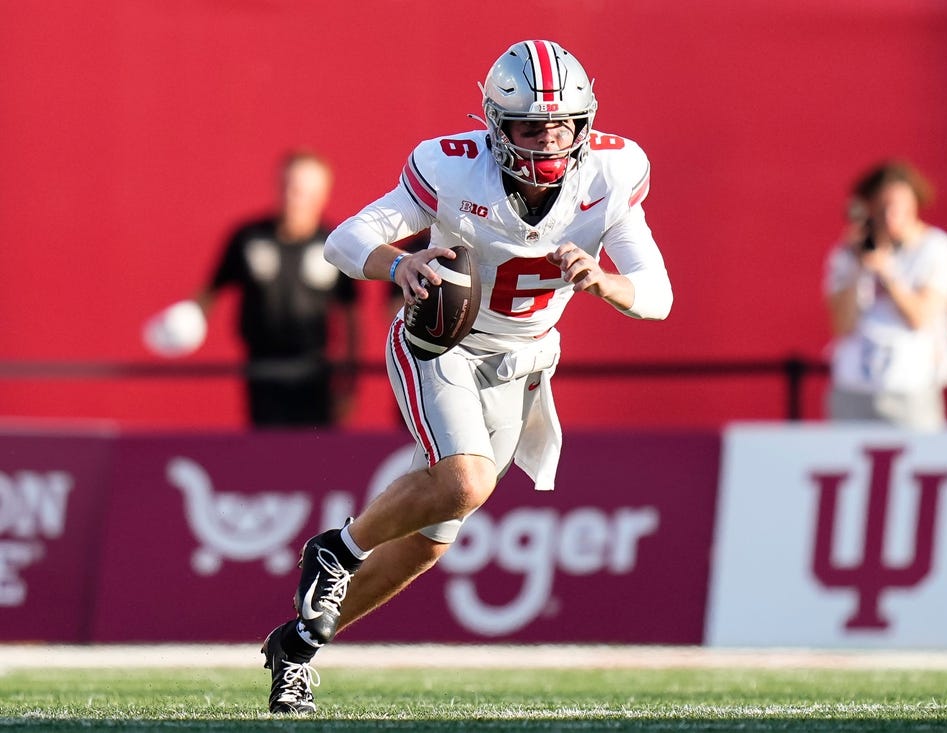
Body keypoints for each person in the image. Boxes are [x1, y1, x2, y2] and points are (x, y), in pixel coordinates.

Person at [260, 40, 673, 714]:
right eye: (531, 126)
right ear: (495, 125)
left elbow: (657, 296)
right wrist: (399, 265)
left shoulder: (612, 173)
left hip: (524, 360)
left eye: (563, 124)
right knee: (465, 478)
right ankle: (336, 551)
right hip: (440, 342)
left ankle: (297, 647)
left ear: (585, 122)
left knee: (431, 540)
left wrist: (607, 282)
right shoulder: (452, 169)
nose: (549, 140)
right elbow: (345, 240)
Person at [194, 150, 360, 427]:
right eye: (288, 186)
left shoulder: (336, 245)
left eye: (303, 191)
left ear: (322, 195)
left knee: (314, 457)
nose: (293, 197)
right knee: (268, 454)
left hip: (314, 371)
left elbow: (350, 317)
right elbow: (209, 292)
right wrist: (187, 322)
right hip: (262, 369)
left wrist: (349, 382)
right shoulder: (249, 238)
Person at [823, 159, 947, 430]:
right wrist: (859, 266)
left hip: (909, 387)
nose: (890, 216)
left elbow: (921, 316)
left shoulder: (937, 249)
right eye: (882, 207)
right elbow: (841, 324)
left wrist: (887, 273)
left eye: (897, 206)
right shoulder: (848, 256)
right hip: (854, 387)